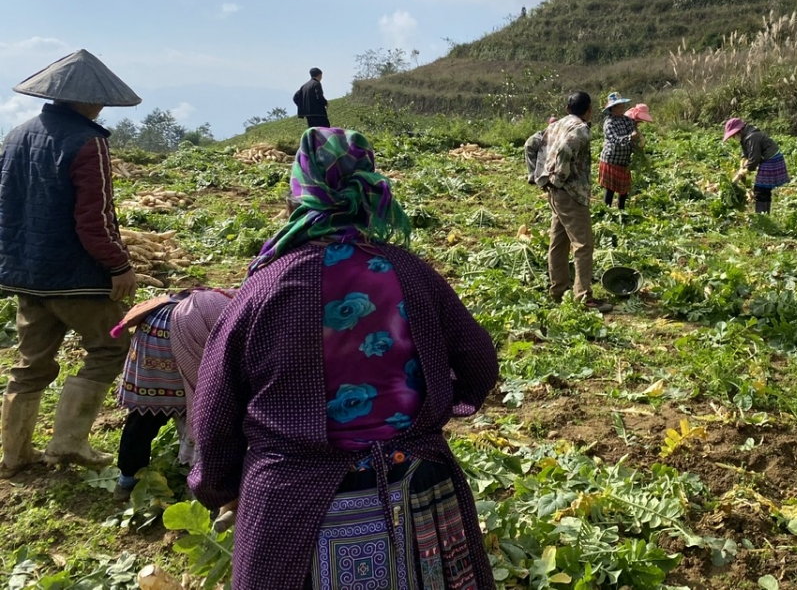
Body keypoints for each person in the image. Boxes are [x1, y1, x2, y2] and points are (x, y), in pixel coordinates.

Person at [189, 127, 499, 590]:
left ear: (300, 193)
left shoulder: (266, 288)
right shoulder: (409, 272)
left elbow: (215, 408)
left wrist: (217, 487)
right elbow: (478, 361)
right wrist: (433, 414)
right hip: (416, 482)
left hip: (294, 498)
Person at [0, 50, 142, 476]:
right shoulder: (88, 142)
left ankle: (14, 453)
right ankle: (67, 442)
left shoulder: (16, 135)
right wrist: (118, 266)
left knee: (30, 362)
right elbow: (93, 220)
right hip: (75, 275)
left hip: (27, 273)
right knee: (110, 346)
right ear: (85, 101)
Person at [109, 287, 236, 501]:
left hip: (153, 337)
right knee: (199, 414)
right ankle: (200, 484)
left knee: (142, 419)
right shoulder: (232, 306)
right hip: (180, 334)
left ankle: (126, 480)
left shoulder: (222, 299)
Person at [534, 92, 611, 312]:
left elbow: (532, 143)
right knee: (583, 245)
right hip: (570, 193)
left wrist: (537, 175)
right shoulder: (580, 129)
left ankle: (558, 290)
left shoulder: (557, 125)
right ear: (589, 110)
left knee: (559, 242)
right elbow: (565, 150)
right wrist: (559, 178)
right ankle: (583, 297)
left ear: (568, 108)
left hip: (555, 192)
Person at [724, 117, 790, 214]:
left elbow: (754, 160)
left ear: (739, 131)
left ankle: (761, 218)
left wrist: (741, 174)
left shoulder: (752, 137)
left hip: (771, 159)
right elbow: (746, 152)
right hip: (770, 158)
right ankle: (765, 215)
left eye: (733, 135)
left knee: (760, 190)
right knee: (765, 190)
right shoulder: (746, 135)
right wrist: (742, 163)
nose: (734, 138)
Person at [598, 92, 641, 210]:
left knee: (624, 189)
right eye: (619, 106)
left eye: (622, 105)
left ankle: (621, 210)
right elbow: (615, 139)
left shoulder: (626, 120)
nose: (622, 108)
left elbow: (633, 130)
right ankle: (606, 211)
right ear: (612, 109)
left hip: (624, 160)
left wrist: (636, 127)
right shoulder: (609, 123)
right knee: (610, 188)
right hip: (612, 159)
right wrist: (630, 137)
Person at [523, 117, 555, 184]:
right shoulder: (537, 138)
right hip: (535, 146)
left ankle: (537, 175)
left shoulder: (555, 132)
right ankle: (534, 176)